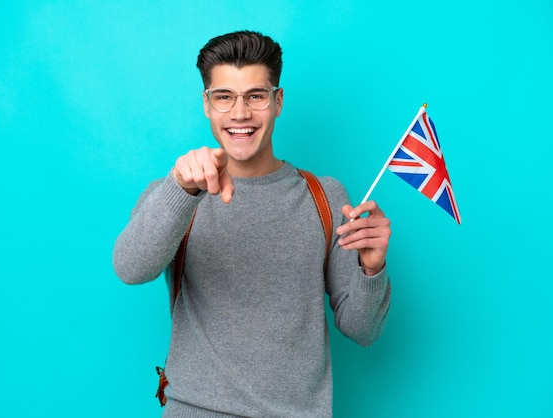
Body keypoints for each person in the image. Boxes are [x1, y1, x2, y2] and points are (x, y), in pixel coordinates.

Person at [113, 30, 391, 418]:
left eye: (255, 96)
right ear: (206, 105)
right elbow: (130, 268)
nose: (240, 113)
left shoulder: (325, 197)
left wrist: (372, 268)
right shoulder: (174, 192)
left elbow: (363, 330)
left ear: (277, 101)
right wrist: (181, 190)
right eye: (224, 97)